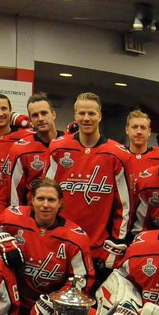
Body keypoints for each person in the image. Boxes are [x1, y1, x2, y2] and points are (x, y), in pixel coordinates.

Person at [0, 178, 94, 315]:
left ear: (60, 204)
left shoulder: (75, 237)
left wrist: (52, 303)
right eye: (40, 198)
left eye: (51, 200)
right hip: (10, 306)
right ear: (31, 201)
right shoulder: (11, 218)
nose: (45, 204)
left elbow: (81, 281)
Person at [43, 91, 132, 273]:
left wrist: (117, 242)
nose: (86, 118)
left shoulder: (118, 154)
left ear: (100, 115)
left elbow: (124, 206)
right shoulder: (58, 148)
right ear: (75, 116)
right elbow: (45, 194)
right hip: (59, 241)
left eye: (91, 113)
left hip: (97, 248)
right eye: (82, 113)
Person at [0, 92, 64, 221]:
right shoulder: (20, 149)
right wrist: (18, 220)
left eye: (44, 113)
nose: (40, 118)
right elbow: (14, 192)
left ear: (53, 114)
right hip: (33, 220)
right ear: (30, 120)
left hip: (66, 217)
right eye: (35, 115)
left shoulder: (69, 144)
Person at [122, 109, 159, 191]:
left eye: (143, 128)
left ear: (149, 132)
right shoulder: (117, 155)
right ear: (127, 129)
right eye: (134, 127)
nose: (139, 131)